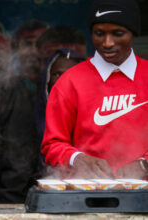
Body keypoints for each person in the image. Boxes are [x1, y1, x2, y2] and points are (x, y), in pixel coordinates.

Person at [41, 0, 148, 180]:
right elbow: (52, 144)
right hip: (86, 193)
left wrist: (144, 164)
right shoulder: (69, 82)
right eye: (99, 34)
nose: (107, 43)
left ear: (133, 34)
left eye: (118, 33)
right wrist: (77, 159)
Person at [36, 48, 86, 143]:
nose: (63, 80)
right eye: (57, 74)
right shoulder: (33, 116)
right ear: (48, 78)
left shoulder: (94, 120)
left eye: (71, 74)